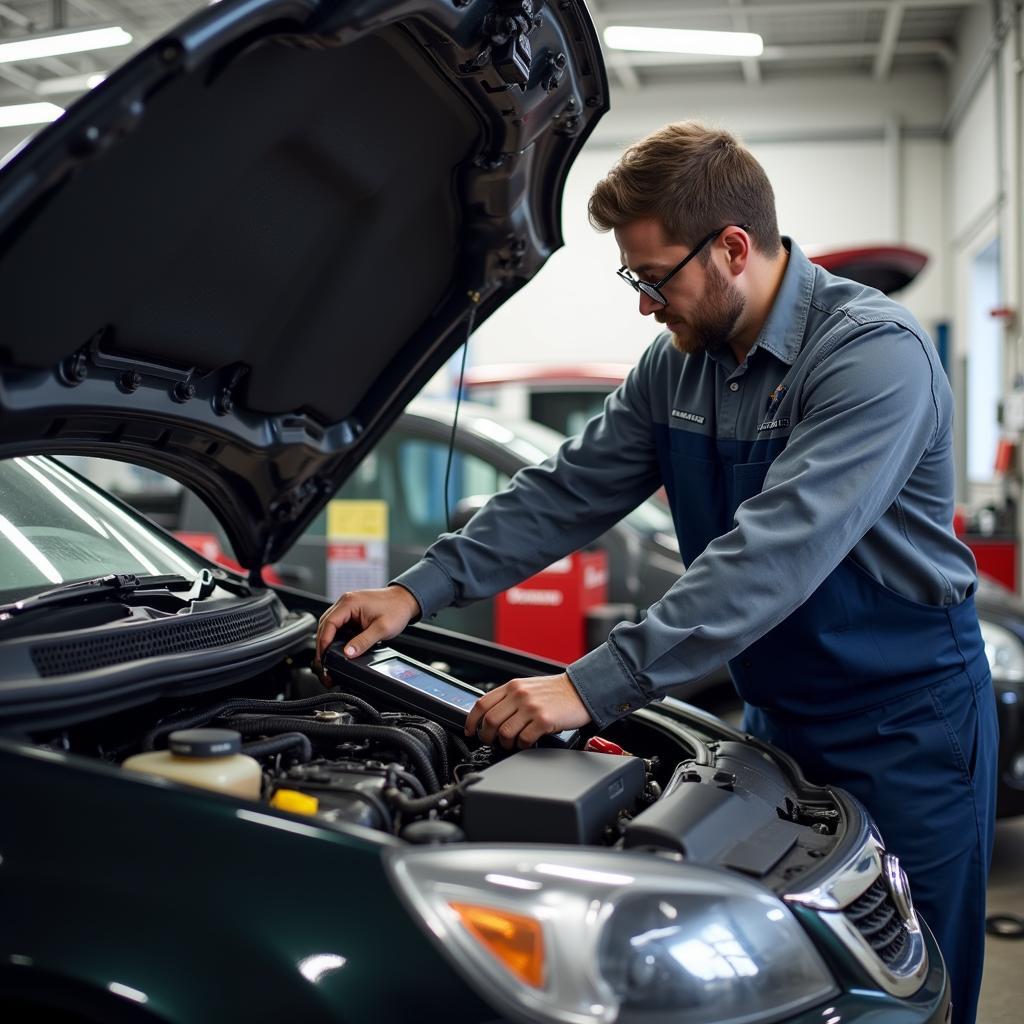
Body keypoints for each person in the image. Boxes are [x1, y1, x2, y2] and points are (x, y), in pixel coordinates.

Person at [315, 122, 997, 1024]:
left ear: (733, 249)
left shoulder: (871, 357)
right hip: (778, 719)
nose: (645, 305)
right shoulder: (677, 369)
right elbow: (566, 490)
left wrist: (592, 688)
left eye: (654, 277)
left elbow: (776, 551)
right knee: (788, 976)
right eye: (633, 280)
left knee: (911, 988)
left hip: (907, 724)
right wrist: (417, 588)